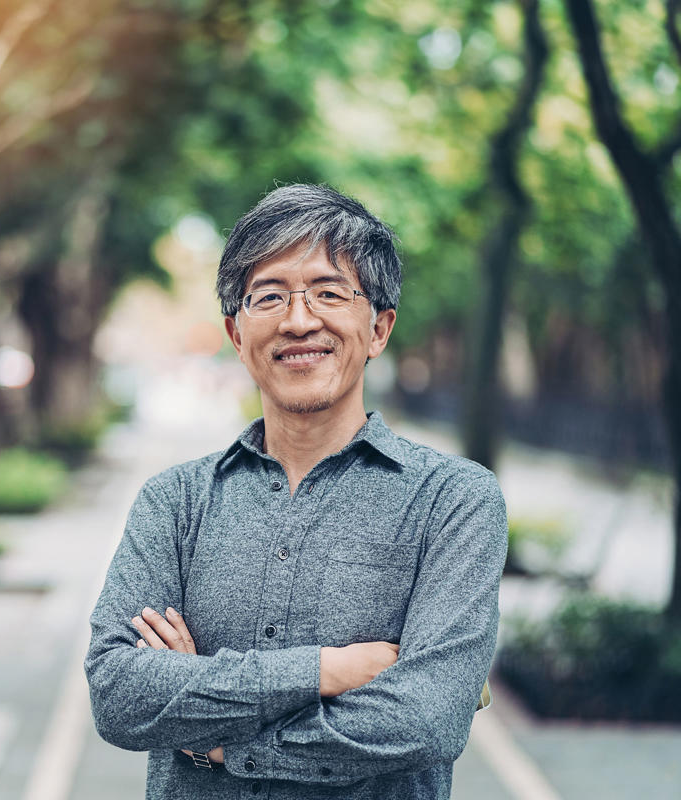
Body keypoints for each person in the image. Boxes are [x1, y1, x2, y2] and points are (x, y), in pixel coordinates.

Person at [84, 183, 508, 799]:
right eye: (270, 296)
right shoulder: (174, 502)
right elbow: (119, 695)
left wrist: (217, 736)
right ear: (236, 334)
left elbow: (425, 719)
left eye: (330, 293)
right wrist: (326, 670)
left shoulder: (454, 501)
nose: (299, 320)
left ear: (379, 328)